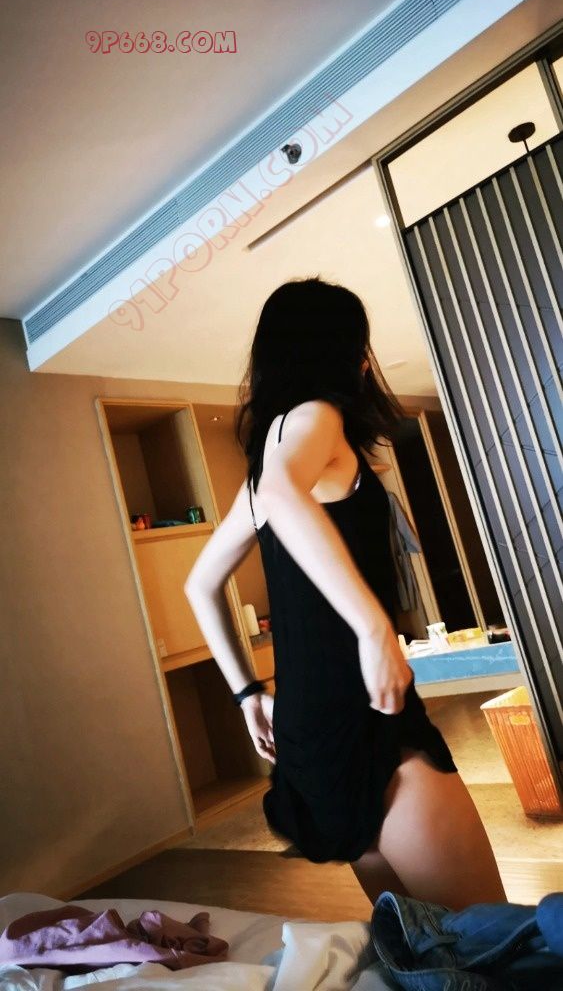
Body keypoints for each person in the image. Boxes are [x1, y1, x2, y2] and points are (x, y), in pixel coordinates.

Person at [185, 276, 506, 911]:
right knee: (496, 942)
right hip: (368, 724)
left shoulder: (269, 459)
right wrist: (374, 629)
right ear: (346, 353)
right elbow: (282, 493)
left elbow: (201, 583)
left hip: (311, 736)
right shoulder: (316, 417)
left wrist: (247, 695)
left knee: (421, 946)